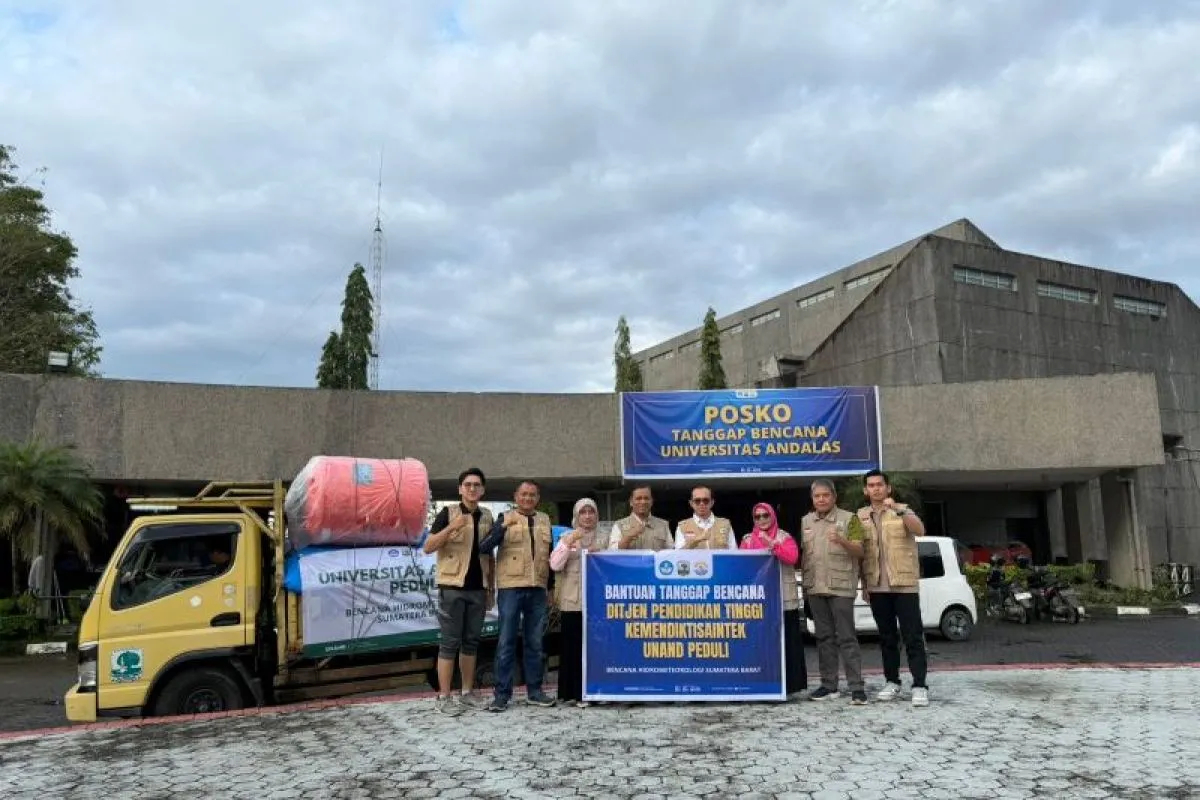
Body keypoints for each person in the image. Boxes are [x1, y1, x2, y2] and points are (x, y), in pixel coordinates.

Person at [478, 480, 556, 711]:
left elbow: (550, 555)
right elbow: (484, 546)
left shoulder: (544, 520)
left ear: (538, 498)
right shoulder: (505, 517)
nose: (528, 498)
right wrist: (502, 527)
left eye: (532, 494)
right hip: (511, 587)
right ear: (516, 496)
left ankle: (535, 691)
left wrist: (551, 587)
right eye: (524, 494)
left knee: (535, 642)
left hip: (538, 588)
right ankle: (502, 695)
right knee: (506, 641)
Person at [422, 467, 494, 714]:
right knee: (449, 643)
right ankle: (443, 697)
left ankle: (466, 693)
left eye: (477, 485)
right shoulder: (448, 513)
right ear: (460, 489)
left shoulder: (487, 516)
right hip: (452, 587)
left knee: (471, 642)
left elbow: (489, 555)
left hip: (478, 589)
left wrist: (491, 588)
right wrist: (452, 526)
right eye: (468, 485)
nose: (472, 488)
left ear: (482, 490)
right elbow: (428, 546)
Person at [857, 469, 929, 707]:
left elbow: (920, 530)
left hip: (904, 584)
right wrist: (864, 585)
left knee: (913, 636)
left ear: (888, 488)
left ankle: (919, 685)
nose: (876, 488)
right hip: (877, 586)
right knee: (886, 637)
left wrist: (898, 508)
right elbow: (860, 553)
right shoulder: (860, 516)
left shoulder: (902, 509)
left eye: (879, 484)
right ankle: (892, 681)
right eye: (871, 485)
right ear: (866, 490)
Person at [800, 479, 867, 705]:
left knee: (847, 637)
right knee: (823, 638)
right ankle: (829, 685)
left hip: (841, 587)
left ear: (834, 497)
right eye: (817, 496)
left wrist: (841, 540)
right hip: (815, 587)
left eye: (825, 495)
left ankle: (856, 687)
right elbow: (806, 555)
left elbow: (860, 551)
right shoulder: (806, 521)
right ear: (812, 499)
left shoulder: (850, 519)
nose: (821, 499)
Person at [740, 502, 806, 698]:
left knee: (788, 641)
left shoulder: (784, 537)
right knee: (760, 642)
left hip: (783, 598)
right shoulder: (747, 540)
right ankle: (760, 684)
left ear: (772, 516)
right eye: (757, 516)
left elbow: (792, 558)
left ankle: (791, 686)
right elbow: (741, 565)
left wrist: (772, 545)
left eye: (765, 515)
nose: (761, 519)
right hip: (759, 600)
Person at [549, 497, 603, 707]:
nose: (587, 516)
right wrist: (569, 542)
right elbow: (555, 565)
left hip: (599, 603)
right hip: (573, 601)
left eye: (591, 511)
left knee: (598, 648)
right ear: (576, 516)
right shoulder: (566, 537)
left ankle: (599, 691)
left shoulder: (605, 537)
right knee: (573, 647)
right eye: (583, 512)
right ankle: (574, 693)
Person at [608, 485, 673, 550]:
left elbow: (671, 551)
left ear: (652, 502)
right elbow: (612, 551)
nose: (643, 502)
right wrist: (629, 537)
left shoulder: (663, 525)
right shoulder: (619, 525)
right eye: (638, 498)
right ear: (631, 502)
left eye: (646, 498)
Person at [673, 485, 737, 549]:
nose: (702, 504)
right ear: (691, 503)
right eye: (697, 500)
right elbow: (678, 553)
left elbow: (733, 551)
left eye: (705, 500)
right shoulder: (683, 526)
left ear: (712, 502)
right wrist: (695, 541)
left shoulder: (725, 524)